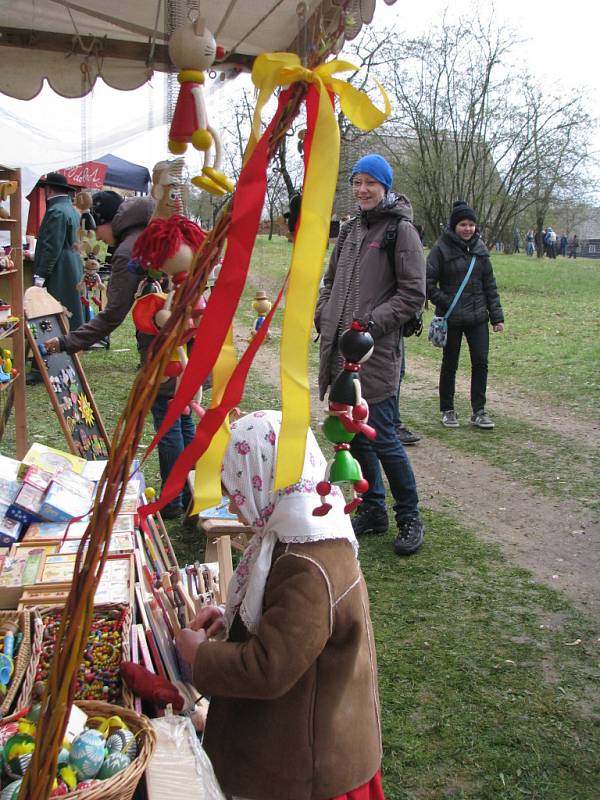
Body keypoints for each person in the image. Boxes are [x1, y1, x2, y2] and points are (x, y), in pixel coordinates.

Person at [175, 410, 385, 800]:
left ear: (263, 479)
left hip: (310, 768)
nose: (232, 506)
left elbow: (271, 667)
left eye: (232, 491)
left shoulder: (306, 564)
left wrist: (199, 656)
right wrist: (228, 615)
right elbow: (291, 624)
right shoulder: (301, 530)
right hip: (311, 742)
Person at [45, 191, 194, 517]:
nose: (96, 235)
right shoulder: (151, 231)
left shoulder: (131, 248)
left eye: (95, 226)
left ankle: (172, 502)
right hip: (189, 337)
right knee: (183, 418)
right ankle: (190, 494)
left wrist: (69, 342)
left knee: (168, 417)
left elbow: (112, 315)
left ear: (108, 221)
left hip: (166, 347)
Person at [315, 153, 425, 555]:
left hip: (374, 353)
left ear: (385, 186)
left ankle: (409, 516)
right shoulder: (349, 231)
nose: (363, 190)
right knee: (352, 432)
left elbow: (413, 294)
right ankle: (374, 510)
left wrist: (369, 327)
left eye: (371, 183)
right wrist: (323, 312)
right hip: (338, 351)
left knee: (383, 436)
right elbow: (330, 282)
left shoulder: (401, 231)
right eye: (357, 182)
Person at [426, 200, 504, 429]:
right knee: (450, 364)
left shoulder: (480, 250)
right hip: (451, 318)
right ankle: (447, 409)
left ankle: (479, 411)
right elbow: (427, 283)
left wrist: (497, 317)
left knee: (481, 362)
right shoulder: (440, 249)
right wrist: (445, 302)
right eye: (463, 224)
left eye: (471, 224)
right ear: (454, 226)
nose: (468, 228)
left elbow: (490, 285)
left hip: (478, 317)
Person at [32, 172, 84, 331]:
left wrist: (41, 275)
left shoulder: (56, 211)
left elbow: (51, 247)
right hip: (73, 263)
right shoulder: (72, 210)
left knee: (58, 308)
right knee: (70, 305)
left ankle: (63, 344)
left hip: (61, 268)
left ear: (48, 190)